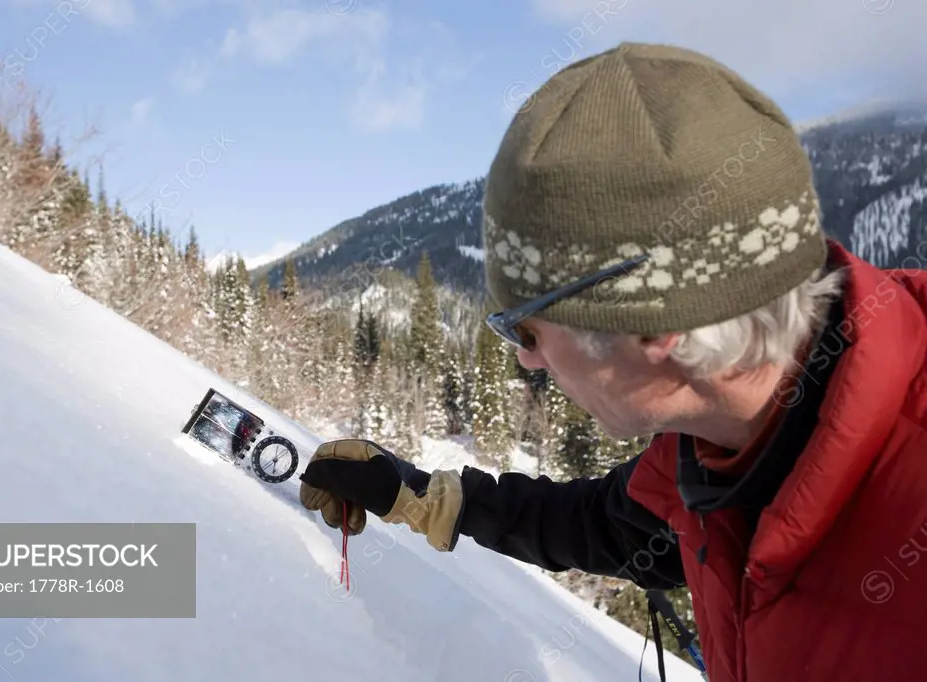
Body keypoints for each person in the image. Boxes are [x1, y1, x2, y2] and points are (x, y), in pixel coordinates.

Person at [298, 41, 927, 682]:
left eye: (527, 329)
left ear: (656, 323)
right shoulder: (719, 438)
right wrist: (420, 497)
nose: (527, 361)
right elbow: (614, 526)